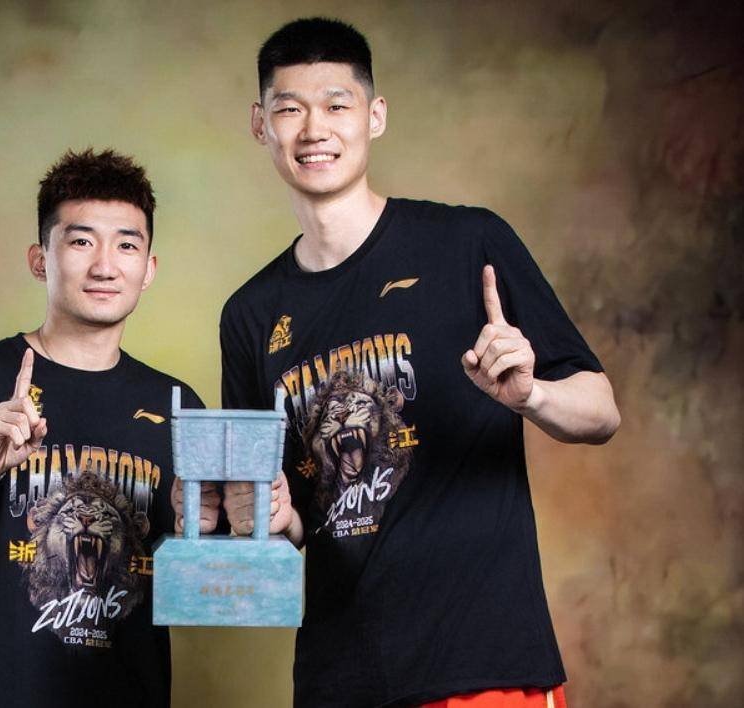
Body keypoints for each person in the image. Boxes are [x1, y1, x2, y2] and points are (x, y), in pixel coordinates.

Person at [219, 18, 621, 708]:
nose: (314, 130)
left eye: (337, 105)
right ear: (262, 125)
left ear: (374, 116)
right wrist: (269, 516)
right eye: (290, 109)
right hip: (338, 679)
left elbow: (602, 411)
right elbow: (290, 521)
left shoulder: (468, 243)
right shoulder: (251, 314)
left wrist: (533, 397)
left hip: (481, 666)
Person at [0, 148, 219, 708]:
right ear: (39, 259)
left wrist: (204, 527)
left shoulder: (177, 407)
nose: (105, 266)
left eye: (126, 245)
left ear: (148, 269)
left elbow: (209, 595)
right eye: (81, 242)